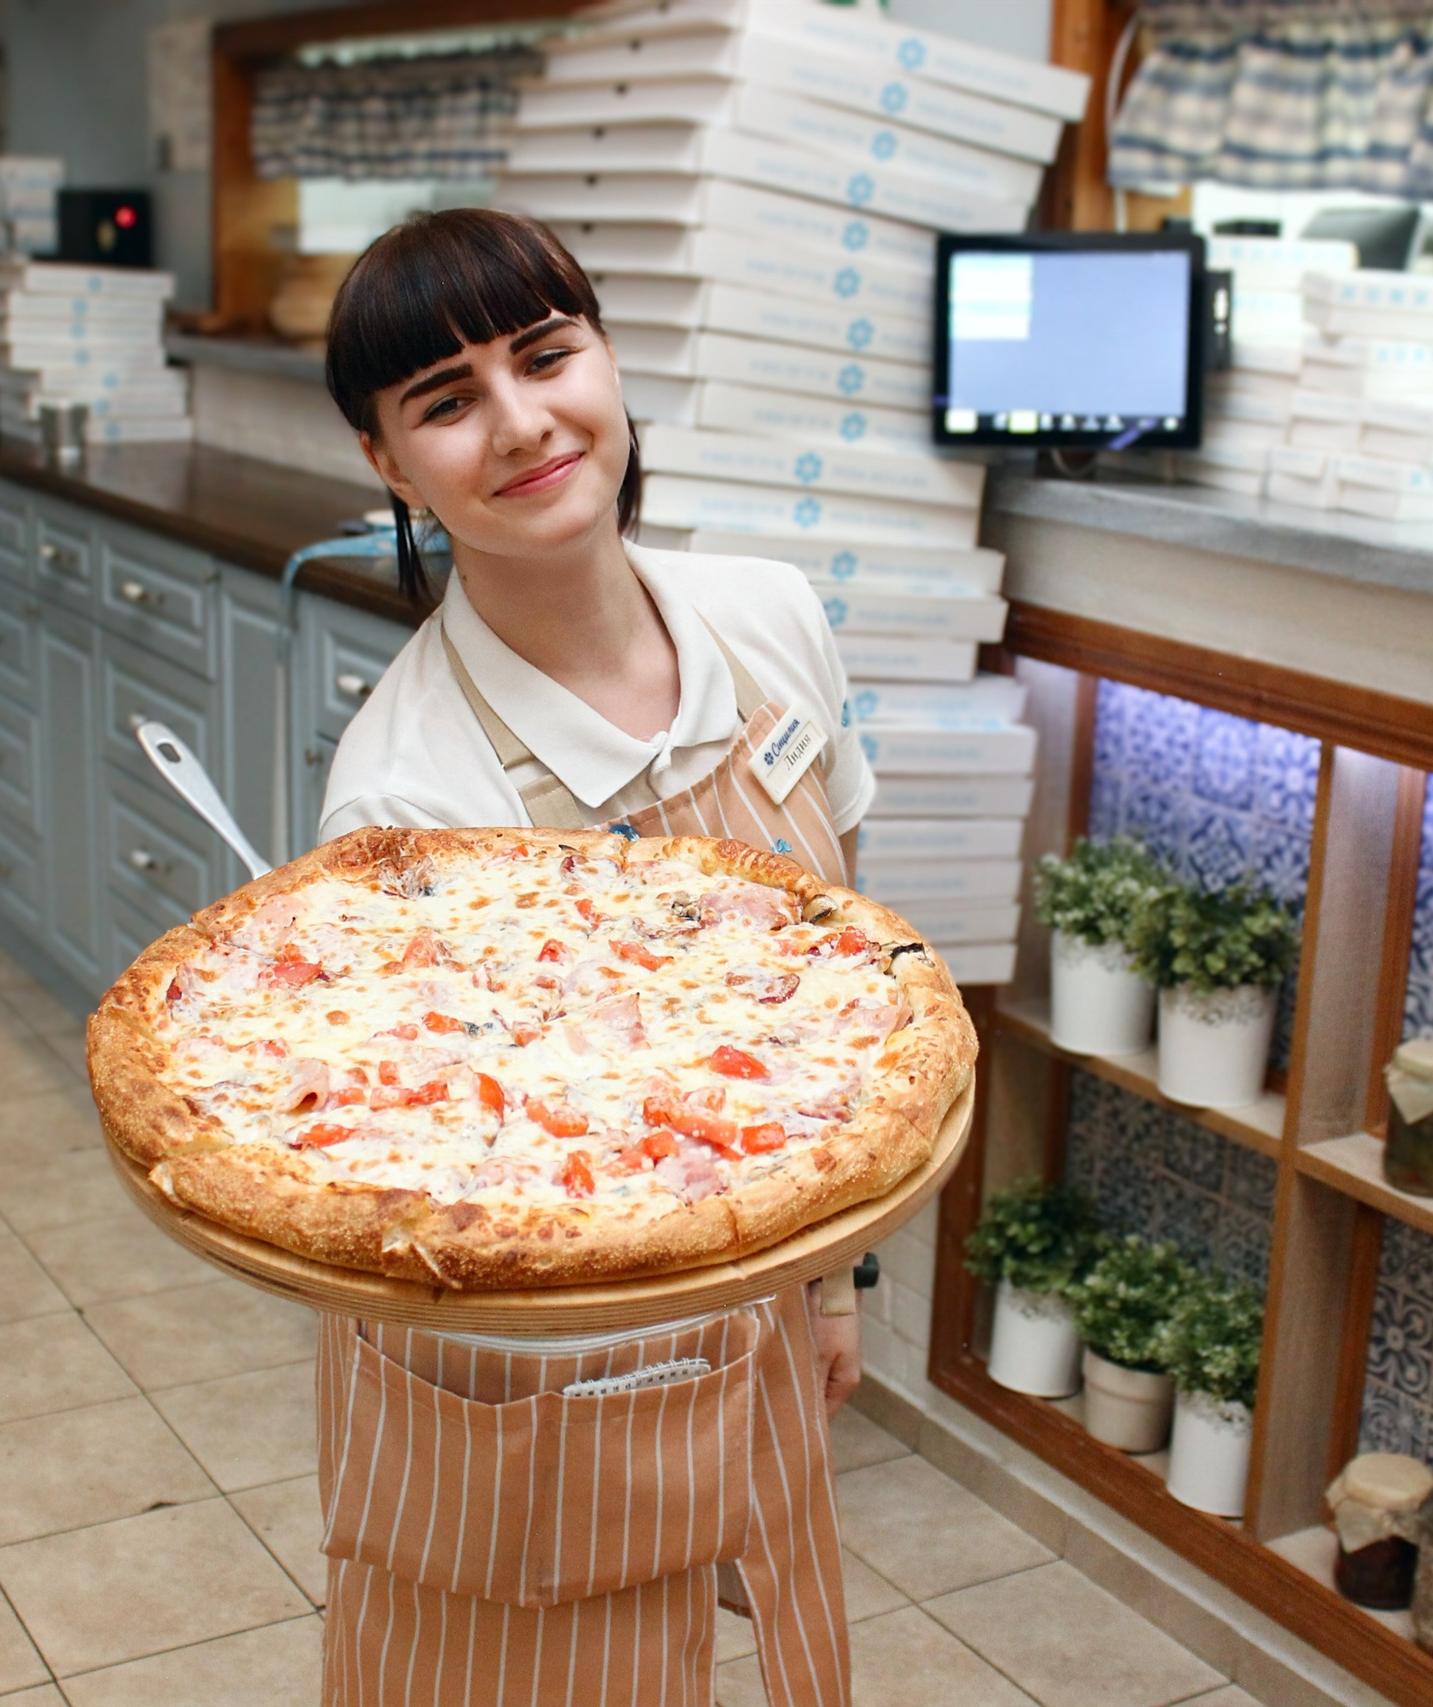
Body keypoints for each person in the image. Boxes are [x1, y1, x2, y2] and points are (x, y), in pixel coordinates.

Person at [309, 207, 873, 1706]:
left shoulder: (770, 625)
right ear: (386, 461)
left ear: (606, 358)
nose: (520, 422)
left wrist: (830, 1285)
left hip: (750, 1297)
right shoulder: (406, 798)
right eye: (444, 401)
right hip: (534, 1366)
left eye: (545, 356)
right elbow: (438, 1194)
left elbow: (845, 1004)